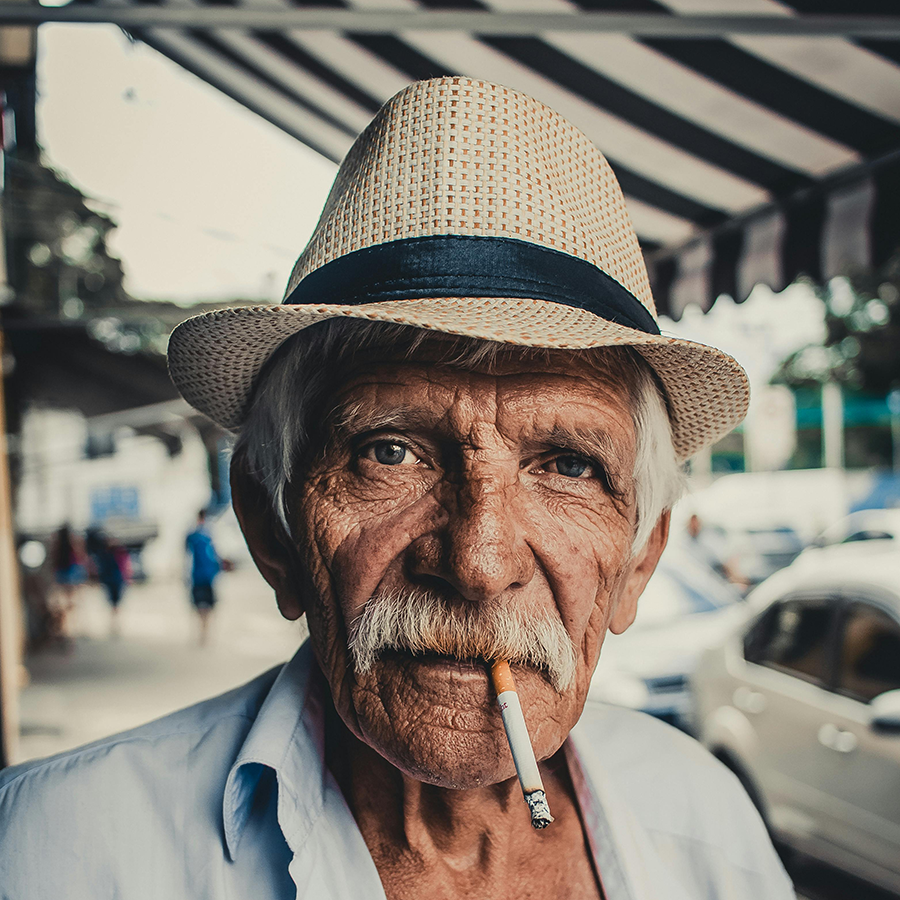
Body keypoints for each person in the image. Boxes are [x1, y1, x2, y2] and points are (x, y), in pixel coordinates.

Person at [0, 78, 794, 899]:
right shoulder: (54, 855)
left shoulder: (705, 825)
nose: (479, 563)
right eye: (390, 452)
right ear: (271, 526)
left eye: (567, 466)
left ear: (638, 559)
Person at [185, 508, 222, 644]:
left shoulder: (192, 535)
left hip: (197, 576)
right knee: (208, 607)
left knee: (200, 607)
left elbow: (186, 556)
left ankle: (203, 633)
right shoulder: (208, 535)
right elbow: (215, 556)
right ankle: (205, 633)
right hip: (207, 577)